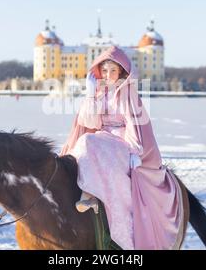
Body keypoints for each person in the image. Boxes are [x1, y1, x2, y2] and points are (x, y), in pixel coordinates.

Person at [60, 46, 186, 250]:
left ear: (121, 73)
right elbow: (90, 122)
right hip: (102, 137)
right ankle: (84, 193)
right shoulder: (100, 93)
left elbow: (134, 123)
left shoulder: (127, 94)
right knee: (85, 142)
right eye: (105, 70)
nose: (108, 75)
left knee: (88, 142)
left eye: (113, 71)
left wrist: (135, 151)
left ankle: (91, 196)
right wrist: (91, 94)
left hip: (121, 142)